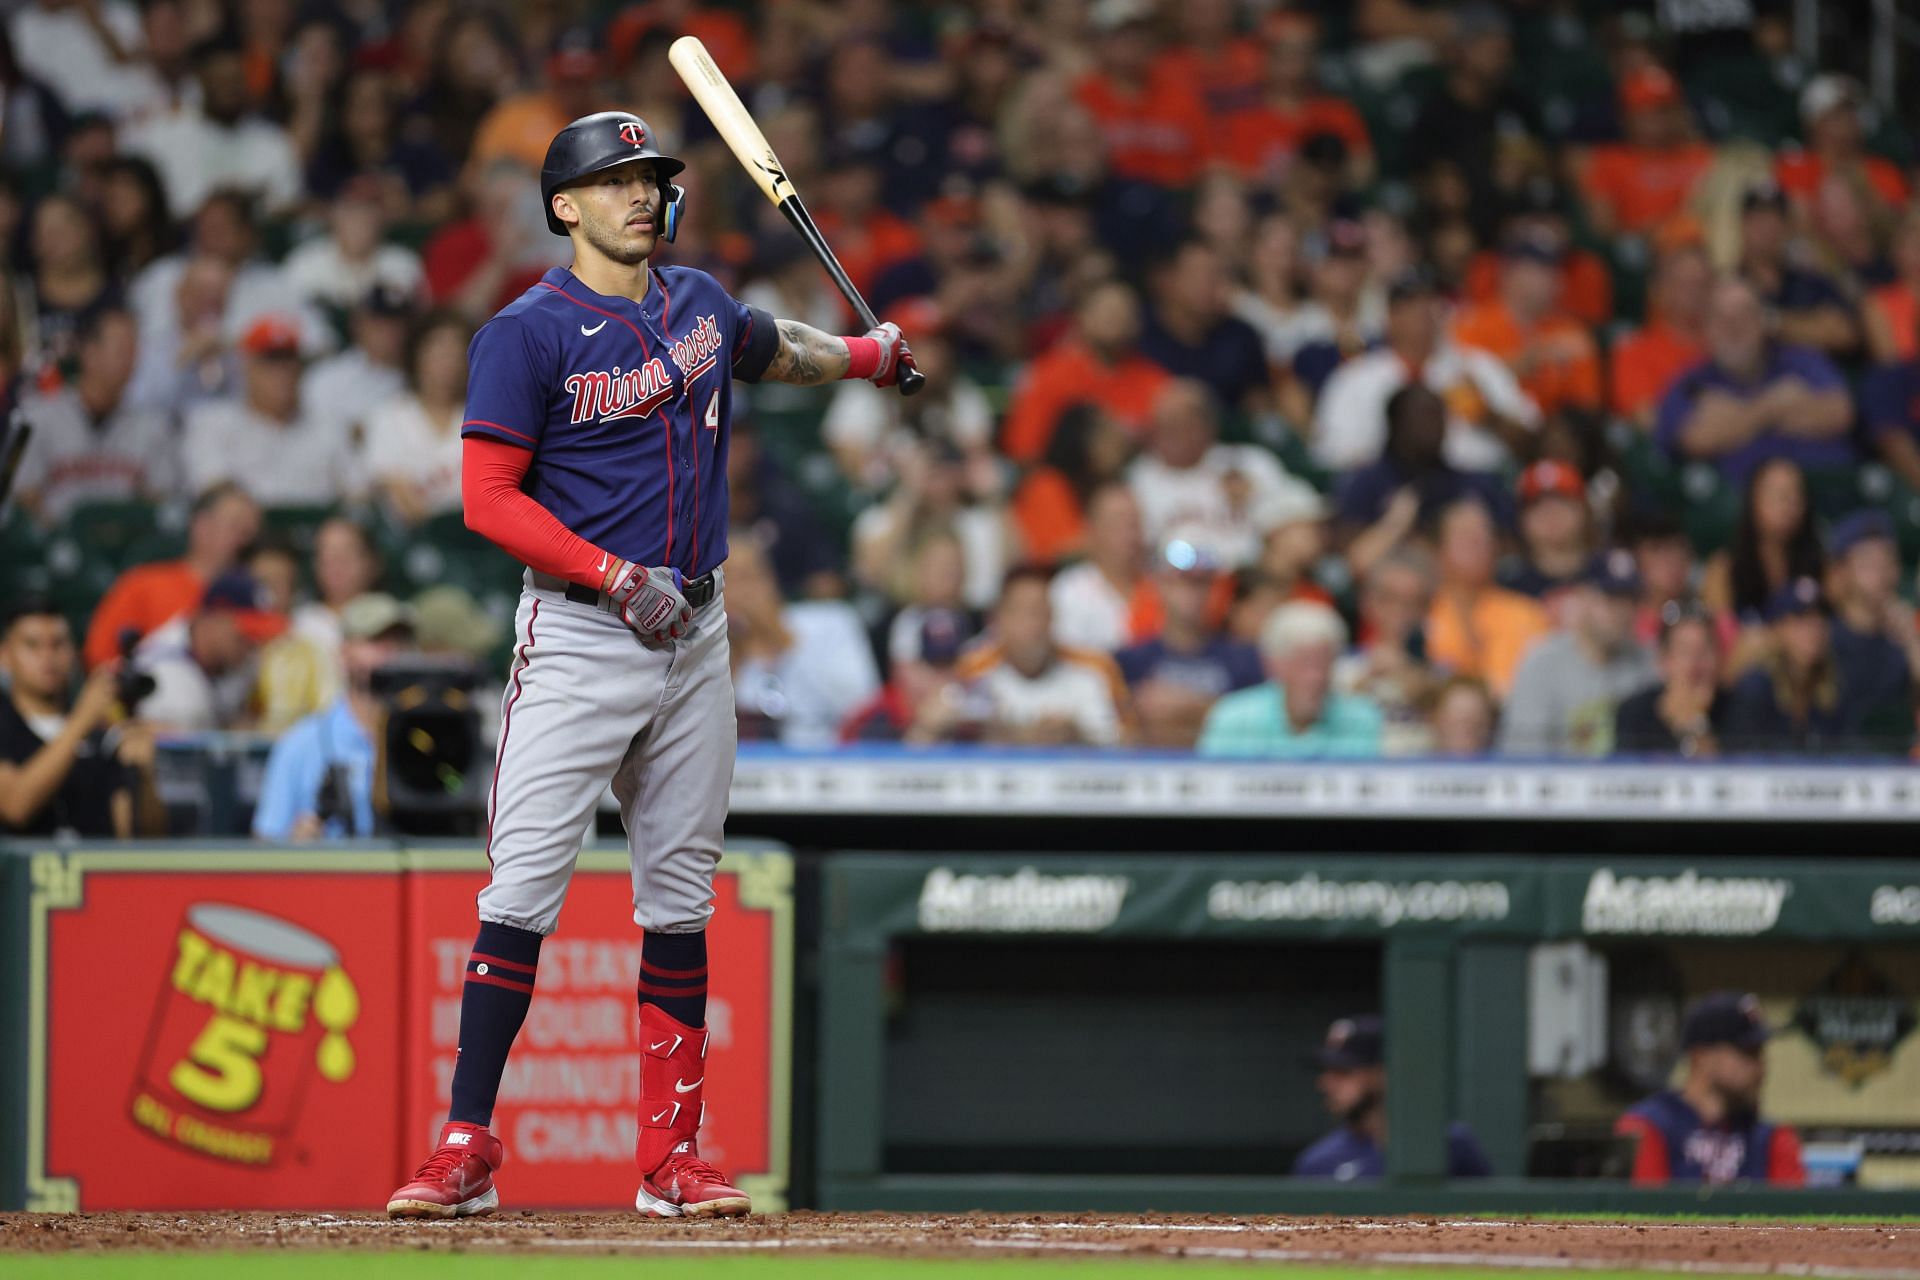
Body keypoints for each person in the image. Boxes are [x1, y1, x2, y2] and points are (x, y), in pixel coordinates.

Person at [387, 111, 918, 1222]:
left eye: (651, 177)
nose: (642, 193)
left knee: (679, 903)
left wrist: (873, 356)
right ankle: (466, 1141)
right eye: (616, 179)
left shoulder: (700, 303)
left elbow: (782, 348)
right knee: (521, 892)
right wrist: (612, 572)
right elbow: (487, 498)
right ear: (564, 206)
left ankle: (670, 1158)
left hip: (699, 631)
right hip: (583, 632)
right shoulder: (523, 333)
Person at [1313, 268, 1539, 474]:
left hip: (1473, 483)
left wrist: (1489, 416)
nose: (1423, 311)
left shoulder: (1477, 368)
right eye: (1411, 303)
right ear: (1390, 317)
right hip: (1388, 488)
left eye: (1432, 301)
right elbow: (1331, 456)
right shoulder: (1356, 379)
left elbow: (1533, 442)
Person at [1655, 276, 1854, 484]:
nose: (1734, 326)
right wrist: (1774, 404)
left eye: (1744, 314)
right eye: (1721, 317)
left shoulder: (1802, 360)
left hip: (1827, 485)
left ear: (1762, 320)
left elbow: (1840, 412)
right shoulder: (1690, 382)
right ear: (1707, 327)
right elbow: (1696, 440)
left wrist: (1735, 419)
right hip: (1742, 503)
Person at [253, 594, 417, 842]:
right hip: (337, 878)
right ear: (344, 652)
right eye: (374, 640)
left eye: (398, 641)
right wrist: (295, 844)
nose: (389, 651)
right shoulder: (301, 743)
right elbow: (264, 843)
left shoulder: (426, 737)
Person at [0, 598, 162, 838]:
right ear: (5, 655)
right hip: (18, 874)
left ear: (74, 653)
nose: (47, 656)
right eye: (32, 645)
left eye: (58, 644)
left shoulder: (102, 733)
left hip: (94, 873)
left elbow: (140, 840)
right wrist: (82, 720)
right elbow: (15, 806)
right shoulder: (9, 723)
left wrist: (145, 779)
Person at [1615, 992, 1805, 1187]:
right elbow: (1639, 1211)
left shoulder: (1773, 1139)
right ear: (1701, 1055)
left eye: (1760, 1054)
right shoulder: (1648, 1126)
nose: (1760, 1068)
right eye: (1746, 1052)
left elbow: (1794, 1212)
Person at [14, 305, 178, 526]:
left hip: (126, 548)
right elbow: (21, 497)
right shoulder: (32, 416)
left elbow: (162, 500)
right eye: (121, 350)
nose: (131, 360)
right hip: (53, 547)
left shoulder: (153, 425)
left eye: (134, 351)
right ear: (89, 353)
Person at [1127, 378, 1317, 563]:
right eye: (1165, 426)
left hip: (1256, 579)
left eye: (1184, 423)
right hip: (1183, 583)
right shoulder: (1138, 479)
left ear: (1208, 425)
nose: (1173, 435)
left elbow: (1298, 513)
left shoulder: (1249, 462)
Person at [1335, 383, 1512, 580]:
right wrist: (1396, 526)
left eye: (1438, 417)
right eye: (1421, 416)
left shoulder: (1473, 483)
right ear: (1396, 423)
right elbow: (1348, 554)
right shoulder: (1366, 481)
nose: (1432, 426)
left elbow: (1509, 548)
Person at [1722, 577, 1912, 755]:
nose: (1813, 628)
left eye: (1820, 618)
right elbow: (1742, 759)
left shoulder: (1834, 686)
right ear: (1777, 628)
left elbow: (1849, 749)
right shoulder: (1756, 688)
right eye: (1801, 619)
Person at [181, 314, 357, 505]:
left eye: (288, 361)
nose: (282, 373)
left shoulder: (328, 426)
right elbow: (211, 483)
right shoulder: (213, 421)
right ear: (247, 366)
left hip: (314, 531)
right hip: (247, 531)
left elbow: (357, 492)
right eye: (271, 362)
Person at [82, 481, 261, 668]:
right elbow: (99, 658)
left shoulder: (258, 597)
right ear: (203, 527)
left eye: (252, 533)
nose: (247, 541)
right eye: (237, 528)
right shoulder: (144, 585)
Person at [1293, 1014, 1493, 1180]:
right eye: (1326, 1071)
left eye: (1343, 1071)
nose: (1325, 1084)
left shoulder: (1451, 1145)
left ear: (1383, 1073)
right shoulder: (1316, 1163)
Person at [1499, 551, 1658, 757]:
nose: (1622, 611)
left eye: (1630, 600)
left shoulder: (1649, 662)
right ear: (1583, 598)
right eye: (1611, 599)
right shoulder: (1543, 662)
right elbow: (1523, 756)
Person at [726, 538, 880, 749]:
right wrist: (734, 656)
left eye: (747, 577)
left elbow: (862, 705)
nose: (738, 593)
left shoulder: (832, 620)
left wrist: (784, 640)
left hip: (831, 759)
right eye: (727, 582)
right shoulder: (709, 649)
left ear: (770, 580)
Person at [954, 565, 1131, 747]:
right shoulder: (974, 672)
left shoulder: (1095, 669)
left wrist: (1079, 735)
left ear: (1053, 617)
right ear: (998, 620)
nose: (1032, 625)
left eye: (1039, 612)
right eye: (1020, 612)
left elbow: (1131, 741)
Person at [1000, 281, 1171, 464]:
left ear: (1136, 323)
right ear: (1081, 317)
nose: (1116, 320)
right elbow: (1024, 449)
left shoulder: (1154, 379)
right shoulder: (1047, 373)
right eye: (1108, 312)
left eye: (1124, 313)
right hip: (1065, 479)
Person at [1115, 537, 1263, 749]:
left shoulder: (1245, 660)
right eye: (1181, 581)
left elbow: (1258, 723)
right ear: (1159, 585)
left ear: (1215, 590)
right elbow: (1123, 729)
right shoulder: (1130, 660)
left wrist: (1186, 705)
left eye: (1202, 583)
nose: (1191, 593)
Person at [1197, 601, 1383, 758]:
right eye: (1304, 663)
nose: (1315, 676)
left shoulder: (1362, 719)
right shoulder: (1233, 718)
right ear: (1273, 665)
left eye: (1324, 663)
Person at [1450, 231, 1602, 422]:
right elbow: (1461, 390)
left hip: (1550, 436)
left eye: (1554, 269)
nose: (1554, 278)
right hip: (1487, 431)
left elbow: (1585, 407)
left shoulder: (1572, 333)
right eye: (1539, 268)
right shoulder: (1472, 324)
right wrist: (1528, 361)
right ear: (1509, 272)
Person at [1424, 498, 1550, 697]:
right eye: (1466, 536)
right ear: (1439, 550)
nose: (1478, 543)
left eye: (1485, 536)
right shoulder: (1420, 609)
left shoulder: (1526, 614)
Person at [133, 569, 286, 732]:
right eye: (246, 633)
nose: (254, 643)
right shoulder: (166, 675)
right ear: (214, 620)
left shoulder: (240, 656)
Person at [1576, 66, 1712, 241]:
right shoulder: (1608, 162)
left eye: (1664, 110)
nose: (1658, 120)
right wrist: (1661, 230)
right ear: (1626, 117)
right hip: (1643, 255)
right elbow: (1602, 232)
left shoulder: (1703, 155)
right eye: (1646, 111)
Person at [364, 309, 472, 526]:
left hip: (477, 540)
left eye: (455, 351)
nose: (447, 361)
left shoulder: (484, 417)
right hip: (414, 538)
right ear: (418, 355)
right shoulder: (391, 416)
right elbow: (399, 497)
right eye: (439, 350)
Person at [1334, 547, 1439, 756]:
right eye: (1388, 598)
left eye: (1413, 602)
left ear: (1426, 609)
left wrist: (1410, 676)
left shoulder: (1440, 671)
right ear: (1367, 603)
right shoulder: (1339, 665)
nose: (1399, 610)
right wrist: (1361, 682)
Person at [1610, 240, 1712, 430]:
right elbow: (1647, 420)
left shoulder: (1725, 347)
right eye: (1685, 285)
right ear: (1662, 289)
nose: (1695, 294)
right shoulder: (1636, 350)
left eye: (1702, 284)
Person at [1048, 483, 1159, 653]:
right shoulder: (1068, 591)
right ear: (1092, 530)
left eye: (1134, 523)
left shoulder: (1161, 588)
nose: (1130, 534)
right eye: (1118, 522)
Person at [1614, 602, 1731, 757]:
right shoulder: (1634, 714)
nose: (1694, 664)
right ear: (1663, 661)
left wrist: (1695, 724)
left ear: (1719, 657)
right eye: (1685, 651)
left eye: (1704, 650)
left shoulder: (1742, 709)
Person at [1428, 675, 1500, 757]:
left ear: (1489, 722)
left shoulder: (1506, 767)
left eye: (1474, 718)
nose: (1466, 726)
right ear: (1435, 719)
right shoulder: (1415, 766)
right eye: (1455, 719)